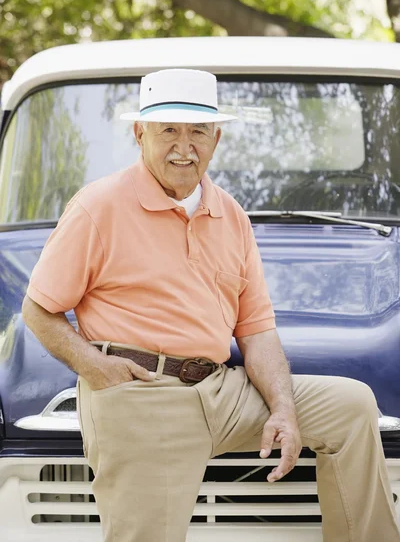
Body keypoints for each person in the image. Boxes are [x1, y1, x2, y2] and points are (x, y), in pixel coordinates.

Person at [22, 68, 400, 542]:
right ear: (140, 134)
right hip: (142, 393)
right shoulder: (98, 207)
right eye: (169, 131)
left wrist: (283, 409)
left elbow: (257, 331)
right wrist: (94, 367)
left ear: (216, 139)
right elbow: (39, 309)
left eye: (198, 130)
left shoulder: (231, 215)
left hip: (221, 390)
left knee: (351, 404)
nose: (185, 145)